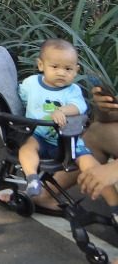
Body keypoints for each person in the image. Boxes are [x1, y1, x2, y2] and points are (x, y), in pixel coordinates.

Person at [14, 39, 115, 205]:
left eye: (68, 69)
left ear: (76, 71)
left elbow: (78, 106)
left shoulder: (72, 90)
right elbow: (17, 95)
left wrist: (62, 110)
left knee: (94, 169)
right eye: (55, 67)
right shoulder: (31, 83)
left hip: (68, 140)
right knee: (27, 148)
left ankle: (115, 205)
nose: (61, 73)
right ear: (41, 65)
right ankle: (32, 177)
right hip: (40, 135)